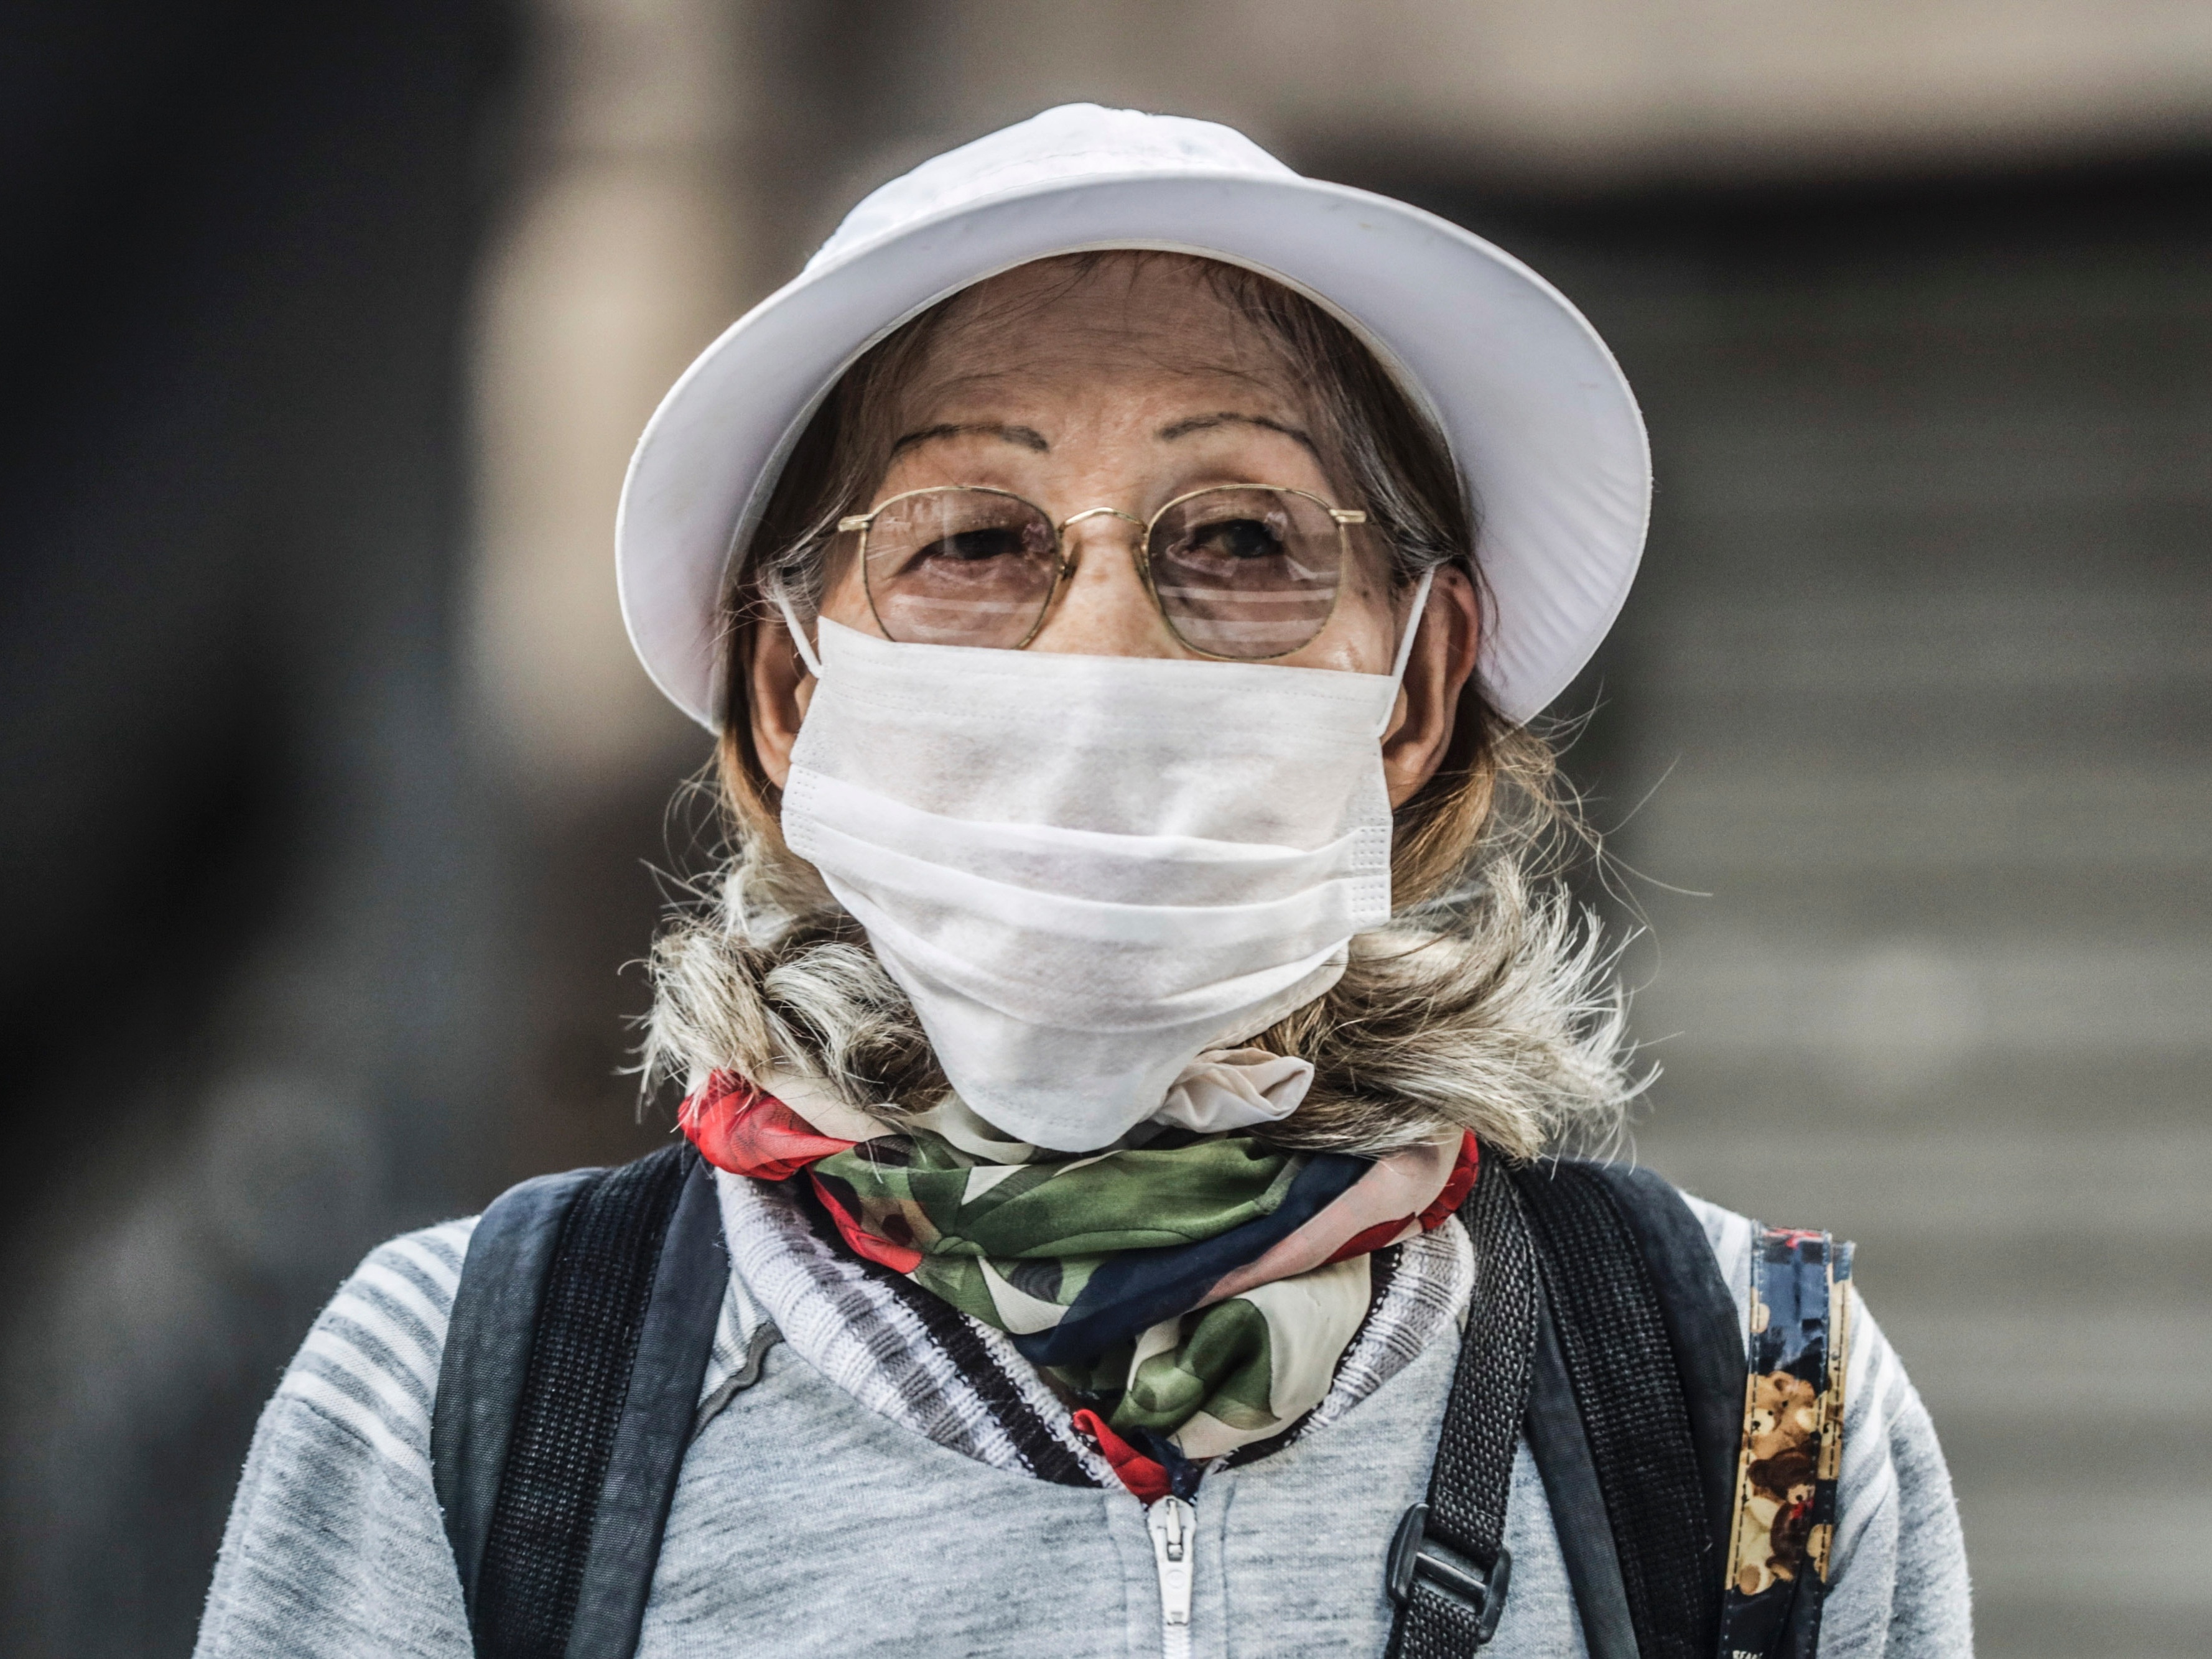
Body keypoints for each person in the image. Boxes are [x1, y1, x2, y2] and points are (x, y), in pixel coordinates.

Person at [194, 106, 1970, 1659]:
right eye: (972, 540)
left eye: (1243, 539)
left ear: (1416, 687)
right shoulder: (462, 1401)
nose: (1106, 647)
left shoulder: (1756, 1399)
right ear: (795, 691)